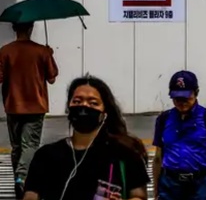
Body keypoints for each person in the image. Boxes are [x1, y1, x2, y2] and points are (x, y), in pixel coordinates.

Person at [22, 75, 149, 200]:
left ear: (104, 114)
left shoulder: (125, 153)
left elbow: (139, 196)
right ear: (68, 109)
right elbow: (31, 195)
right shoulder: (46, 156)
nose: (84, 107)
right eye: (77, 101)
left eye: (93, 103)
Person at [0, 22, 58, 198]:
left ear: (14, 28)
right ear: (31, 28)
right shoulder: (42, 51)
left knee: (17, 147)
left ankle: (20, 181)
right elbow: (52, 78)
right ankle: (22, 177)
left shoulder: (5, 51)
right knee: (30, 145)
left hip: (13, 105)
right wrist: (49, 54)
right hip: (35, 105)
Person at [152, 70, 206, 200]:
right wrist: (156, 190)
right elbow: (158, 156)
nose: (182, 102)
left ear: (196, 93)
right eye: (177, 98)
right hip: (170, 185)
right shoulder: (163, 119)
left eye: (186, 98)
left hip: (200, 185)